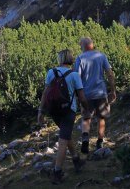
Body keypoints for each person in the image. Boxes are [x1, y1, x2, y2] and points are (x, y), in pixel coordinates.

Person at [38, 49, 89, 184]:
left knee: (65, 136)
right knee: (63, 141)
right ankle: (57, 172)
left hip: (54, 111)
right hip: (68, 111)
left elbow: (45, 93)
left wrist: (41, 112)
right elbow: (82, 96)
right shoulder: (74, 75)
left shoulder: (51, 72)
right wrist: (86, 108)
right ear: (71, 59)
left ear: (60, 59)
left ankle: (76, 159)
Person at [74, 37, 116, 154]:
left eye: (80, 46)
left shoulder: (80, 58)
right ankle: (100, 141)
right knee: (101, 118)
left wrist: (77, 94)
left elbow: (77, 78)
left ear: (83, 47)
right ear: (92, 45)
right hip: (101, 93)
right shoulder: (101, 56)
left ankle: (86, 140)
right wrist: (113, 90)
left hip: (86, 94)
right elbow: (110, 74)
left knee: (86, 118)